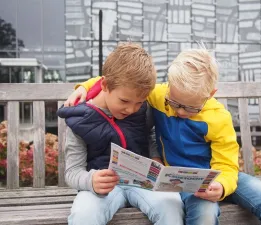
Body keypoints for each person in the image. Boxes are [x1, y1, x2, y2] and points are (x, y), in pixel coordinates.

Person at [65, 46, 261, 225]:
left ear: (210, 95)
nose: (180, 111)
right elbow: (121, 81)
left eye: (190, 107)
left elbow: (228, 166)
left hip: (221, 176)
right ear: (168, 87)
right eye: (174, 103)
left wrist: (221, 185)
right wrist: (84, 87)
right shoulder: (157, 97)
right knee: (205, 213)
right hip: (184, 182)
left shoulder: (219, 119)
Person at [58, 42, 184, 225]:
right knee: (84, 215)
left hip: (143, 183)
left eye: (139, 102)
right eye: (124, 100)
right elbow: (72, 172)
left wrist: (155, 157)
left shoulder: (144, 109)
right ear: (105, 86)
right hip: (102, 189)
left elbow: (148, 136)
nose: (131, 109)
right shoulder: (79, 120)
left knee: (171, 205)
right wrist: (91, 180)